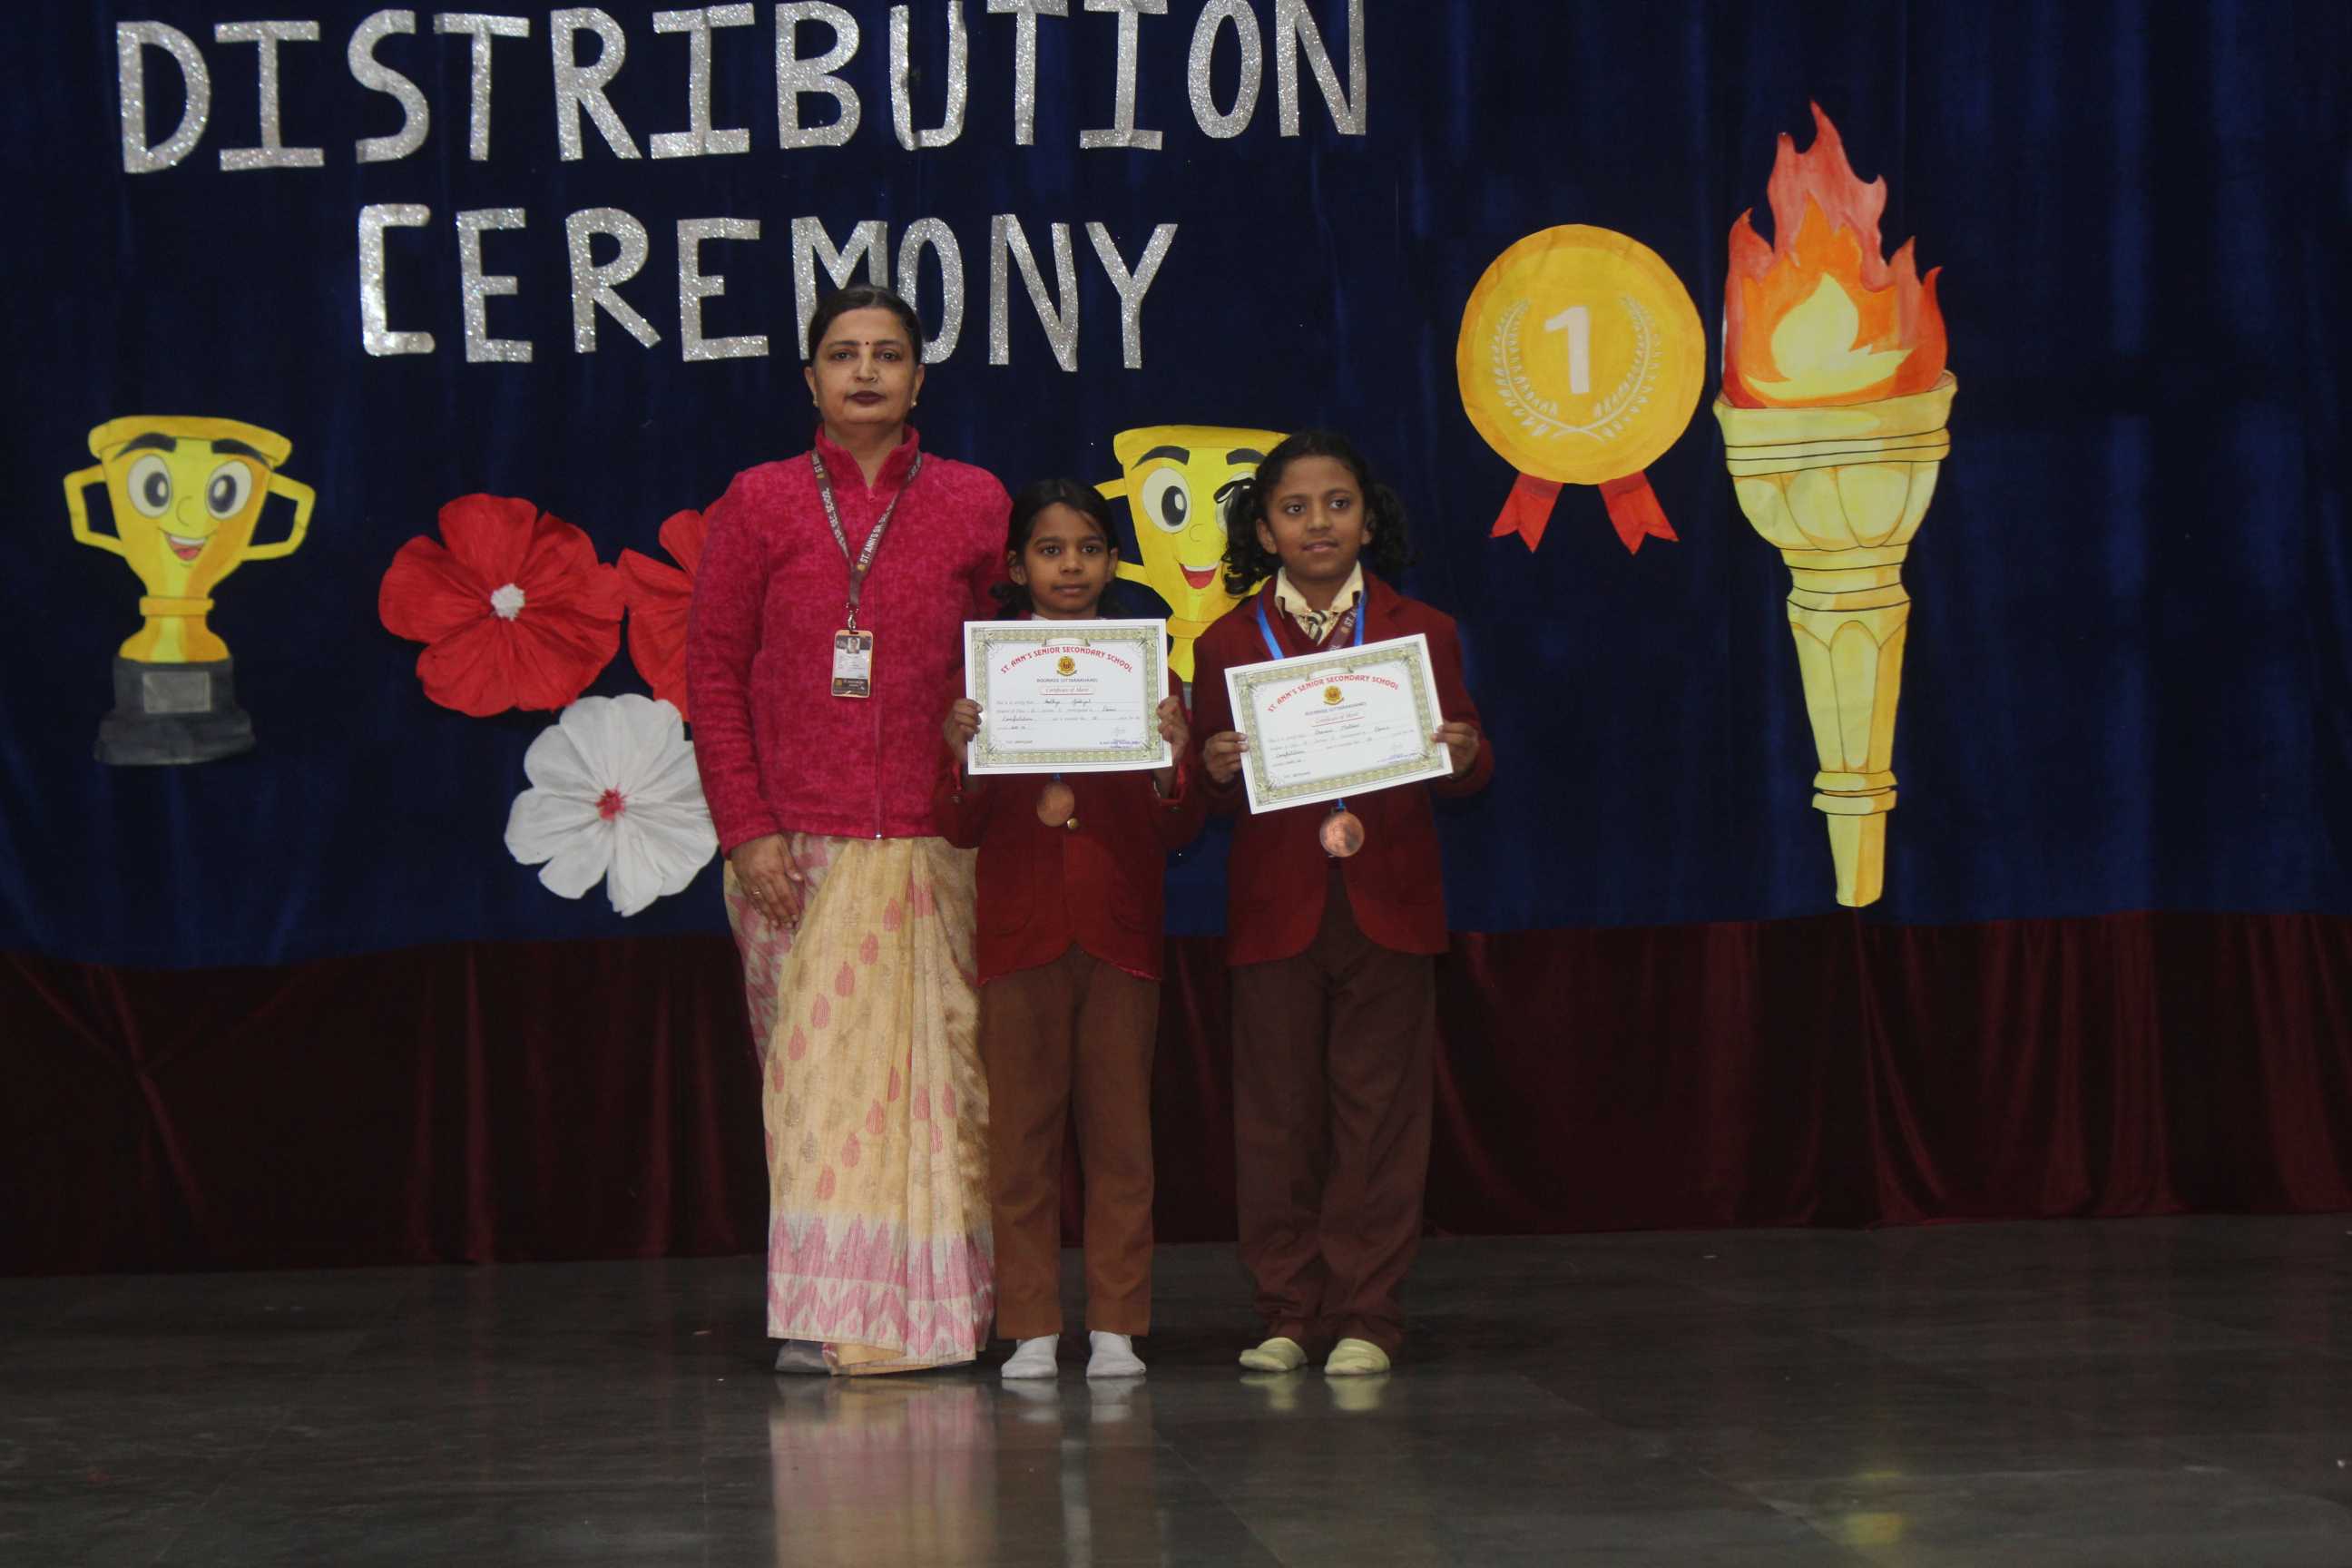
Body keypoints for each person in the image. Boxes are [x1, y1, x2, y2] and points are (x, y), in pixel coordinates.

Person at [686, 285, 1008, 1376]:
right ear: (810, 380)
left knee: (944, 1086)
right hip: (794, 853)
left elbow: (1004, 663)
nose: (865, 371)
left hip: (937, 844)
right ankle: (830, 1318)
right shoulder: (761, 501)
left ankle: (942, 1316)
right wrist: (747, 831)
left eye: (887, 354)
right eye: (841, 354)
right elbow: (713, 673)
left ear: (919, 380)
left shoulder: (973, 502)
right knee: (815, 1089)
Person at [1189, 430, 1494, 1377]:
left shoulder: (1421, 630)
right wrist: (1212, 768)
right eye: (1294, 508)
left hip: (1387, 905)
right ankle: (1288, 1310)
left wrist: (1463, 754)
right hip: (1276, 911)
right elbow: (1205, 795)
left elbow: (1468, 765)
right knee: (1276, 1120)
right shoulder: (1226, 642)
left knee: (1380, 1118)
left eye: (1337, 503)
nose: (1317, 522)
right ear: (1264, 531)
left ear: (1367, 519)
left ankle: (1367, 1315)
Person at [936, 480, 1205, 1380]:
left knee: (1122, 1140)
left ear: (1113, 562)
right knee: (1021, 1141)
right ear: (1018, 567)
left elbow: (1179, 826)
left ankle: (1119, 1324)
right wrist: (964, 753)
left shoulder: (1150, 672)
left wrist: (1172, 762)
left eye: (1089, 548)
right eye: (1050, 550)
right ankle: (1032, 1325)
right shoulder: (981, 676)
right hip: (1020, 939)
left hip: (1120, 935)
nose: (1071, 566)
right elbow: (957, 825)